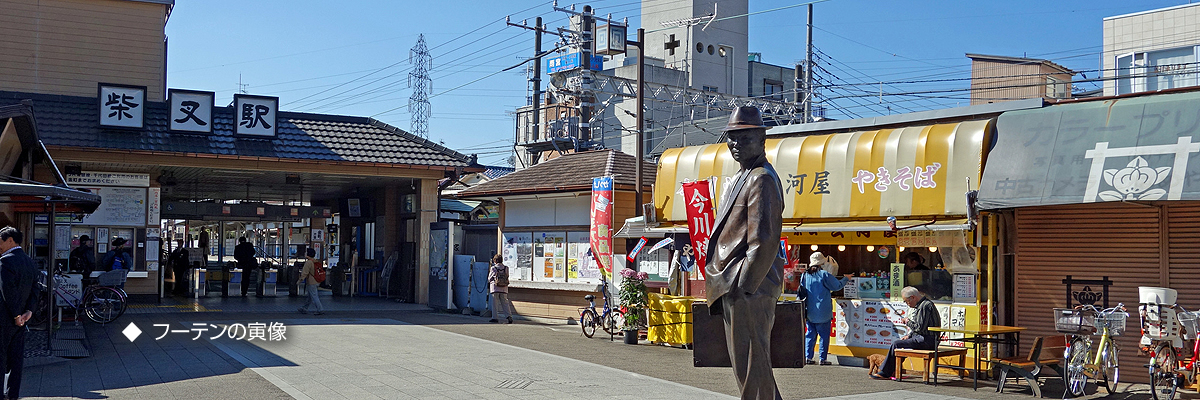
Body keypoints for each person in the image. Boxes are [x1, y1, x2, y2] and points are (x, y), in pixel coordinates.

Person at [704, 106, 786, 400]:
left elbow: (763, 240)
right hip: (737, 284)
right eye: (732, 138)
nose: (736, 144)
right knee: (752, 365)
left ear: (762, 138)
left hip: (748, 285)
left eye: (745, 137)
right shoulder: (745, 175)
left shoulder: (761, 177)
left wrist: (745, 287)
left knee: (751, 365)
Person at [0, 227, 40, 399]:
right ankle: (13, 394)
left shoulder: (5, 261)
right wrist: (28, 312)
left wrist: (16, 315)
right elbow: (35, 289)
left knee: (1, 358)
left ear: (10, 240)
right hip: (22, 320)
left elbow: (7, 290)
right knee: (16, 360)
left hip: (4, 319)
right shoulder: (30, 261)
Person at [871, 286, 942, 380]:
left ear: (912, 297)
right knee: (901, 344)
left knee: (896, 344)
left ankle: (885, 372)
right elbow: (920, 328)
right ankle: (893, 370)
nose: (907, 303)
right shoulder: (924, 305)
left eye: (906, 301)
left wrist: (907, 321)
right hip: (926, 338)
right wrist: (909, 336)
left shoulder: (924, 306)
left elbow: (919, 328)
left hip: (928, 341)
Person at [802, 252, 849, 366]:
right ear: (822, 263)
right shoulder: (824, 275)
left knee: (810, 335)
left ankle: (808, 357)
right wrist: (846, 279)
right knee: (823, 336)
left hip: (809, 311)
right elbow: (836, 286)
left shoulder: (805, 275)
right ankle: (822, 359)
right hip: (823, 311)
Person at [487, 254, 513, 324]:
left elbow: (489, 278)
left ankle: (495, 317)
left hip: (495, 288)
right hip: (504, 288)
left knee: (495, 304)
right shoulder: (506, 268)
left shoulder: (493, 268)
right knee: (505, 303)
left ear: (495, 261)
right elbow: (507, 276)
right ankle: (508, 316)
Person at [297, 248, 323, 315]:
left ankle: (320, 309)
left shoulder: (308, 262)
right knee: (310, 296)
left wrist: (300, 280)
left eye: (306, 252)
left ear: (308, 254)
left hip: (312, 282)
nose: (305, 253)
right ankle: (304, 308)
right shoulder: (315, 261)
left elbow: (304, 273)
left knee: (314, 296)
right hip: (317, 281)